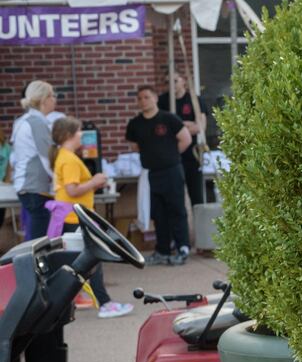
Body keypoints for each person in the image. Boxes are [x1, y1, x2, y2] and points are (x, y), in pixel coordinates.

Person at [51, 117, 132, 319]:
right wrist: (95, 181)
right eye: (80, 132)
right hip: (74, 216)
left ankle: (71, 301)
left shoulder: (65, 156)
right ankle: (104, 304)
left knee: (81, 261)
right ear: (69, 135)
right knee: (93, 258)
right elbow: (72, 189)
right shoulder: (69, 158)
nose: (83, 137)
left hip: (72, 216)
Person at [124, 85, 193, 266]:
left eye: (146, 97)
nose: (143, 101)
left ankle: (182, 248)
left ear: (155, 98)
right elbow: (134, 146)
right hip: (151, 174)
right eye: (139, 98)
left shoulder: (168, 119)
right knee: (158, 213)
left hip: (172, 171)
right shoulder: (135, 124)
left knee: (176, 210)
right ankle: (162, 250)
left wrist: (169, 156)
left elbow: (186, 139)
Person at [12, 81, 57, 241]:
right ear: (43, 99)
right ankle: (29, 267)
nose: (54, 99)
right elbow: (47, 157)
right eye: (52, 95)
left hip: (27, 185)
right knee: (38, 241)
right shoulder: (37, 122)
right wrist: (59, 184)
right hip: (35, 187)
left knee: (35, 236)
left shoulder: (22, 120)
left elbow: (15, 157)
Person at [158, 72, 206, 206]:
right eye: (167, 82)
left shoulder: (194, 100)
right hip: (170, 156)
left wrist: (177, 129)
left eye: (175, 81)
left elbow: (200, 126)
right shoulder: (162, 101)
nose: (171, 85)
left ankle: (198, 226)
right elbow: (161, 129)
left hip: (192, 155)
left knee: (196, 196)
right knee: (173, 198)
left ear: (183, 81)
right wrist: (186, 125)